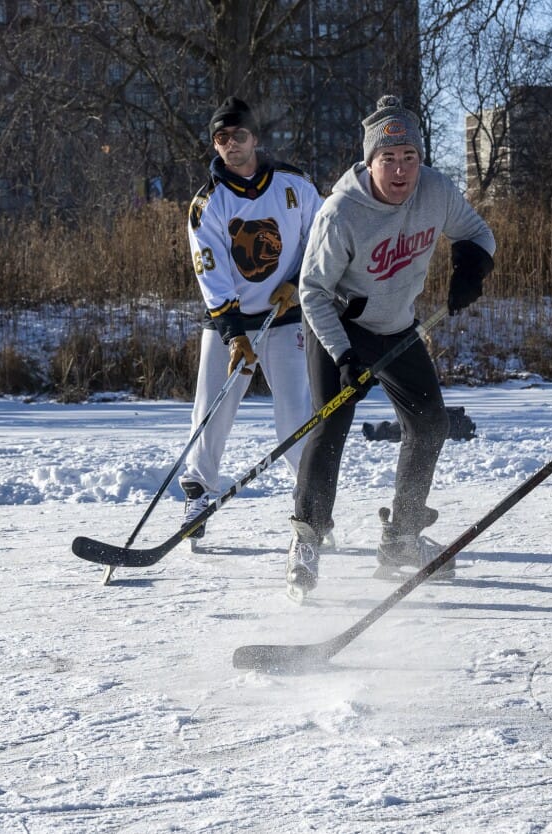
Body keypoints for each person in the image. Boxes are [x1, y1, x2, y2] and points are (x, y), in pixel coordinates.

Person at [287, 95, 495, 600]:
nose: (400, 171)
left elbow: (477, 232)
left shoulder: (435, 191)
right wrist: (343, 355)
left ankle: (401, 535)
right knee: (330, 422)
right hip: (340, 327)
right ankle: (306, 537)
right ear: (369, 161)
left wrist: (471, 266)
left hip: (397, 326)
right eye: (389, 159)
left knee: (430, 422)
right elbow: (311, 292)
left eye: (410, 159)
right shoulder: (341, 213)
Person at [180, 96, 322, 547]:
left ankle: (314, 503)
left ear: (255, 138)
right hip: (232, 319)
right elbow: (211, 271)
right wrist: (234, 333)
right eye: (221, 138)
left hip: (285, 315)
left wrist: (299, 282)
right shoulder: (207, 204)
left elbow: (321, 239)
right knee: (214, 406)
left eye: (238, 135)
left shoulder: (294, 185)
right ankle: (198, 492)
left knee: (295, 415)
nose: (231, 144)